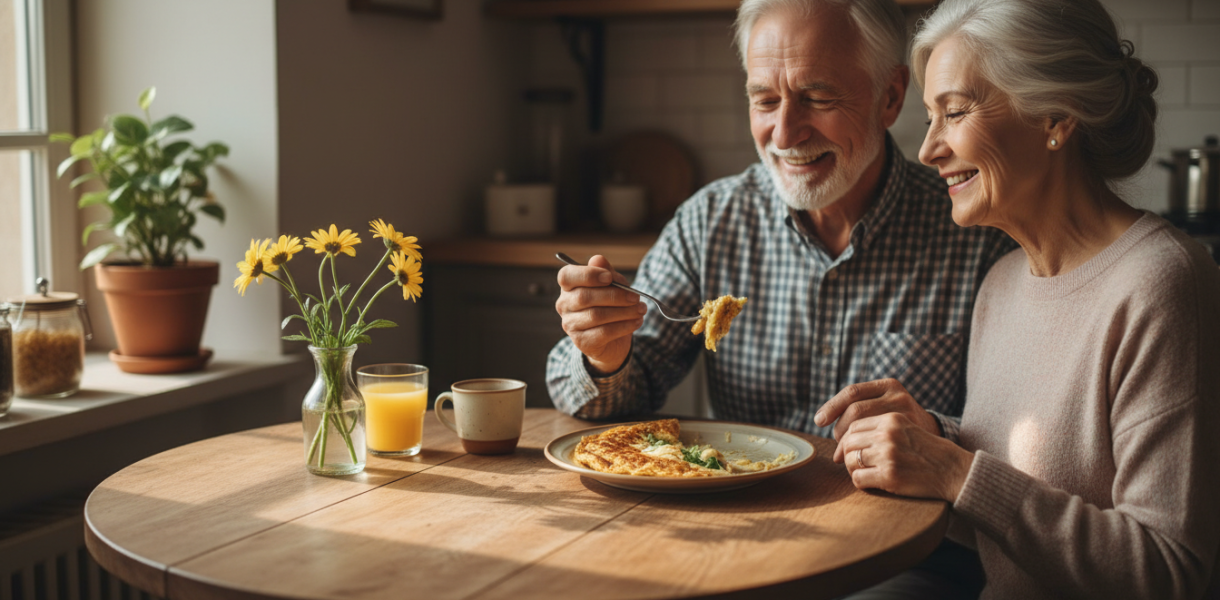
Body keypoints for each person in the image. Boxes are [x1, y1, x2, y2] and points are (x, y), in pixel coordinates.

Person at [813, 0, 1220, 598]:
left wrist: (955, 472)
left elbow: (1169, 571)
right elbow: (1006, 520)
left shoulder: (1164, 283)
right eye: (930, 118)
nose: (928, 149)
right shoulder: (1002, 282)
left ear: (1056, 115)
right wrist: (933, 440)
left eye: (954, 112)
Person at [547, 0, 1012, 438]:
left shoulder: (979, 234)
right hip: (744, 497)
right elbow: (603, 395)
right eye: (766, 101)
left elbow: (1009, 436)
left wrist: (933, 432)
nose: (785, 135)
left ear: (889, 97)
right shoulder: (710, 223)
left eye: (818, 98)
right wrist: (605, 357)